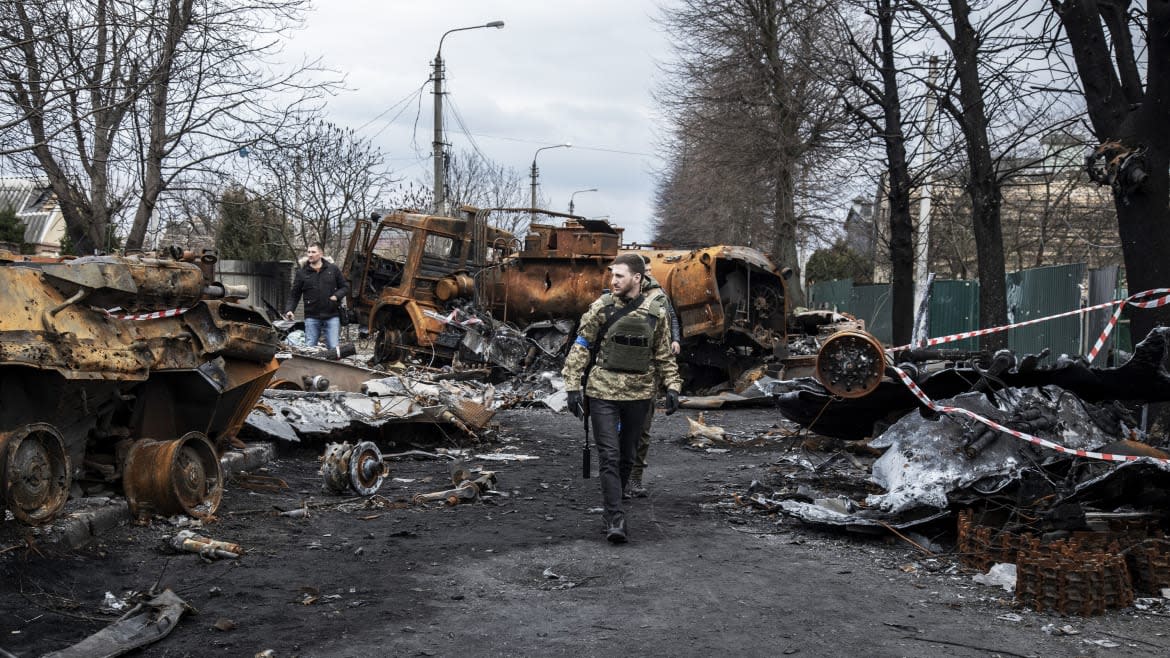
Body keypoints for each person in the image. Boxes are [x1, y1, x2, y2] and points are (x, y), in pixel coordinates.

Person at [562, 253, 682, 544]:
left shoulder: (656, 310)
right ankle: (614, 517)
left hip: (639, 393)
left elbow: (663, 353)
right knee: (609, 456)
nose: (612, 280)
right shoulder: (601, 308)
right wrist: (571, 386)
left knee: (627, 456)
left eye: (619, 275)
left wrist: (673, 386)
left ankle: (613, 508)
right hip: (602, 391)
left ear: (637, 278)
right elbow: (582, 345)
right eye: (612, 275)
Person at [627, 270, 681, 498]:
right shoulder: (616, 298)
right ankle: (619, 477)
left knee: (642, 431)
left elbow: (672, 318)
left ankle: (635, 478)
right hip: (617, 376)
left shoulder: (658, 297)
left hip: (647, 374)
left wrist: (675, 339)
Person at [284, 243, 349, 351]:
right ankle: (310, 368)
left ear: (321, 254)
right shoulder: (302, 273)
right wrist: (290, 310)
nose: (310, 255)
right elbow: (294, 295)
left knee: (333, 348)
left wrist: (336, 296)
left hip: (332, 315)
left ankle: (331, 368)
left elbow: (345, 287)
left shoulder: (332, 269)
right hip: (312, 317)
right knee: (310, 349)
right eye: (308, 252)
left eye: (313, 252)